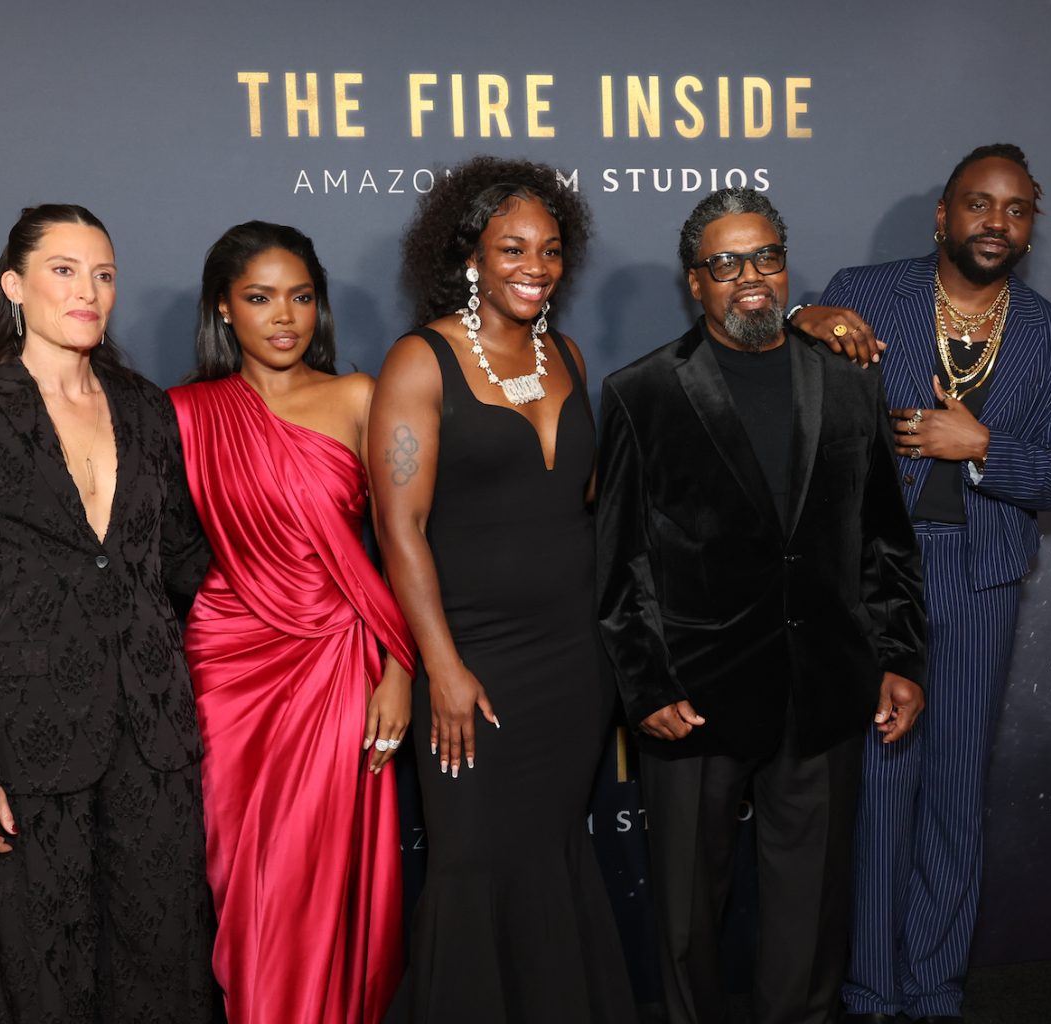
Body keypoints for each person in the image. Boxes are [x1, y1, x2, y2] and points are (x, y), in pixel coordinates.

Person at [594, 186, 928, 1024]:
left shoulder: (848, 380)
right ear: (694, 282)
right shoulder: (644, 393)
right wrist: (647, 689)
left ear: (786, 266)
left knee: (810, 920)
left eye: (766, 257)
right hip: (695, 697)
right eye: (725, 262)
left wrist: (898, 656)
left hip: (824, 688)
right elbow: (620, 564)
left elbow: (885, 536)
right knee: (685, 924)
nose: (750, 277)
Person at [0, 204, 217, 1022]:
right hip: (25, 740)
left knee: (163, 961)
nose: (89, 291)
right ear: (16, 286)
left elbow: (183, 560)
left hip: (153, 734)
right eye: (65, 270)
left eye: (103, 274)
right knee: (38, 975)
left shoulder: (149, 410)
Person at [796, 143, 1051, 1024]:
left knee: (954, 790)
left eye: (1014, 209)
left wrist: (983, 449)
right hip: (873, 572)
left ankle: (932, 989)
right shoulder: (867, 291)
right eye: (978, 204)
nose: (995, 222)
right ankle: (871, 989)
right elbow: (791, 396)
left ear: (1030, 225)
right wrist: (803, 320)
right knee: (883, 781)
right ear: (943, 216)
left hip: (978, 577)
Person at [369, 156, 637, 1023]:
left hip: (575, 660)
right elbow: (400, 530)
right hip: (476, 658)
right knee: (472, 863)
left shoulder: (568, 353)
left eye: (551, 249)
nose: (535, 264)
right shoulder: (421, 359)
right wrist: (440, 666)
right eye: (512, 247)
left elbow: (586, 507)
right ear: (470, 256)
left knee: (554, 853)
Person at [168, 222, 416, 1024]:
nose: (285, 317)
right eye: (260, 298)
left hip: (340, 669)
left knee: (316, 887)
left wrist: (400, 670)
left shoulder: (358, 398)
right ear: (223, 310)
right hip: (227, 671)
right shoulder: (183, 414)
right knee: (247, 890)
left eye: (302, 297)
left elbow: (404, 546)